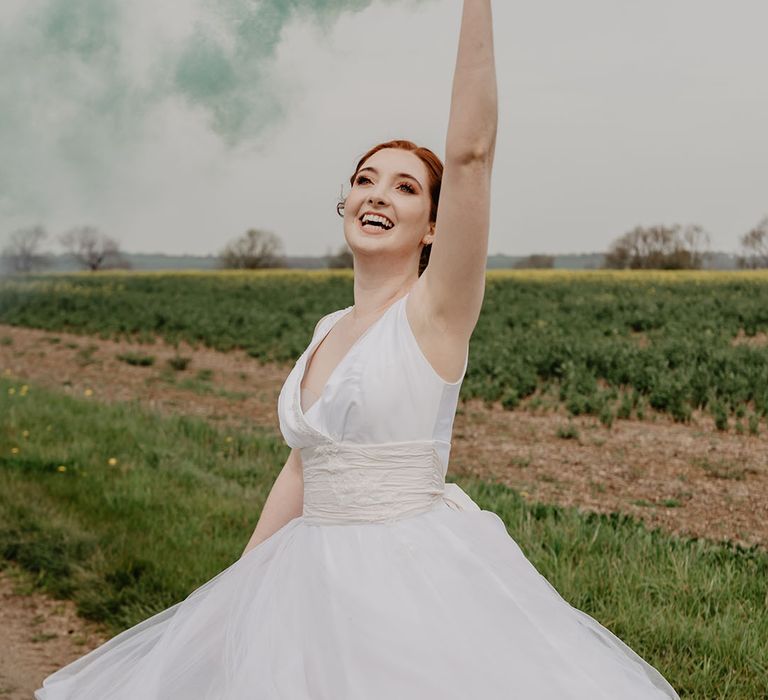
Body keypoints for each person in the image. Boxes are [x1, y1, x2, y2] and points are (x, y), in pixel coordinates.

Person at [36, 1, 680, 697]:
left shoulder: (436, 313)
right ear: (344, 202)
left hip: (409, 586)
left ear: (433, 226)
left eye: (406, 188)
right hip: (305, 584)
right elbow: (302, 470)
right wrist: (229, 597)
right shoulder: (326, 327)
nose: (378, 194)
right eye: (365, 178)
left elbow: (469, 155)